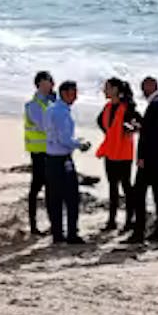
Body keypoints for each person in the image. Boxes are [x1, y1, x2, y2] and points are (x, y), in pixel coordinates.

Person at [126, 76, 158, 244]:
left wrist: (141, 157)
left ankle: (139, 232)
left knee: (139, 194)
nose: (143, 92)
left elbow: (150, 136)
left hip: (150, 158)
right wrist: (141, 127)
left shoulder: (156, 105)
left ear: (151, 86)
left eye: (144, 88)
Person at [42, 80, 90, 245]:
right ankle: (71, 234)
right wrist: (80, 144)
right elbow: (64, 139)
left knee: (54, 198)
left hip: (50, 157)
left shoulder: (50, 109)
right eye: (73, 93)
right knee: (71, 197)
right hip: (61, 158)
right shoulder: (61, 112)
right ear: (64, 93)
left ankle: (57, 233)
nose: (75, 97)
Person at [95, 77, 142, 232]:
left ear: (115, 89)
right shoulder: (107, 107)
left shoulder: (127, 107)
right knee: (112, 188)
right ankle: (112, 221)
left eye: (107, 87)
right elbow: (100, 122)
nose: (104, 90)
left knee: (126, 187)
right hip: (110, 153)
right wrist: (110, 135)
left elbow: (139, 123)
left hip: (123, 154)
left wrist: (133, 128)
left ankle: (130, 221)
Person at [23, 71, 57, 237]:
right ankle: (33, 225)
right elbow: (45, 125)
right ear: (38, 85)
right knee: (37, 187)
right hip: (38, 152)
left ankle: (53, 224)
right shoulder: (34, 105)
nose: (47, 86)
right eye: (44, 83)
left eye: (49, 82)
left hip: (51, 151)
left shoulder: (52, 103)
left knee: (51, 187)